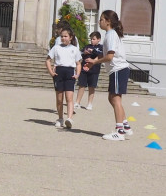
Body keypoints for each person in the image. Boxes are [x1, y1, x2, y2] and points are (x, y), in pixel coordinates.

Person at [84, 10, 132, 141]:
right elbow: (106, 54)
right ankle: (125, 126)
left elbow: (110, 56)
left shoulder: (111, 34)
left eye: (101, 19)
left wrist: (94, 61)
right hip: (117, 70)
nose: (99, 22)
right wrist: (94, 62)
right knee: (112, 98)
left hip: (118, 69)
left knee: (115, 99)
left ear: (108, 21)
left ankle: (119, 131)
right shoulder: (110, 35)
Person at [46, 28, 82, 128]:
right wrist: (51, 72)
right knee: (59, 98)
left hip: (70, 72)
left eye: (65, 36)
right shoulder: (56, 48)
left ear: (70, 38)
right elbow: (48, 60)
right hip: (59, 72)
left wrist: (77, 74)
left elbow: (78, 64)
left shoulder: (74, 49)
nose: (63, 38)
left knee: (69, 98)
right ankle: (60, 118)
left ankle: (69, 118)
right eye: (62, 36)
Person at [75, 31, 103, 110]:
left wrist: (93, 51)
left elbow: (101, 54)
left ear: (98, 39)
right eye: (91, 39)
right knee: (81, 85)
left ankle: (90, 103)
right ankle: (77, 102)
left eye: (94, 39)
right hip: (84, 69)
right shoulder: (87, 46)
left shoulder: (101, 47)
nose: (92, 41)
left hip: (94, 70)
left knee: (92, 87)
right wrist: (84, 52)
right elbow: (80, 52)